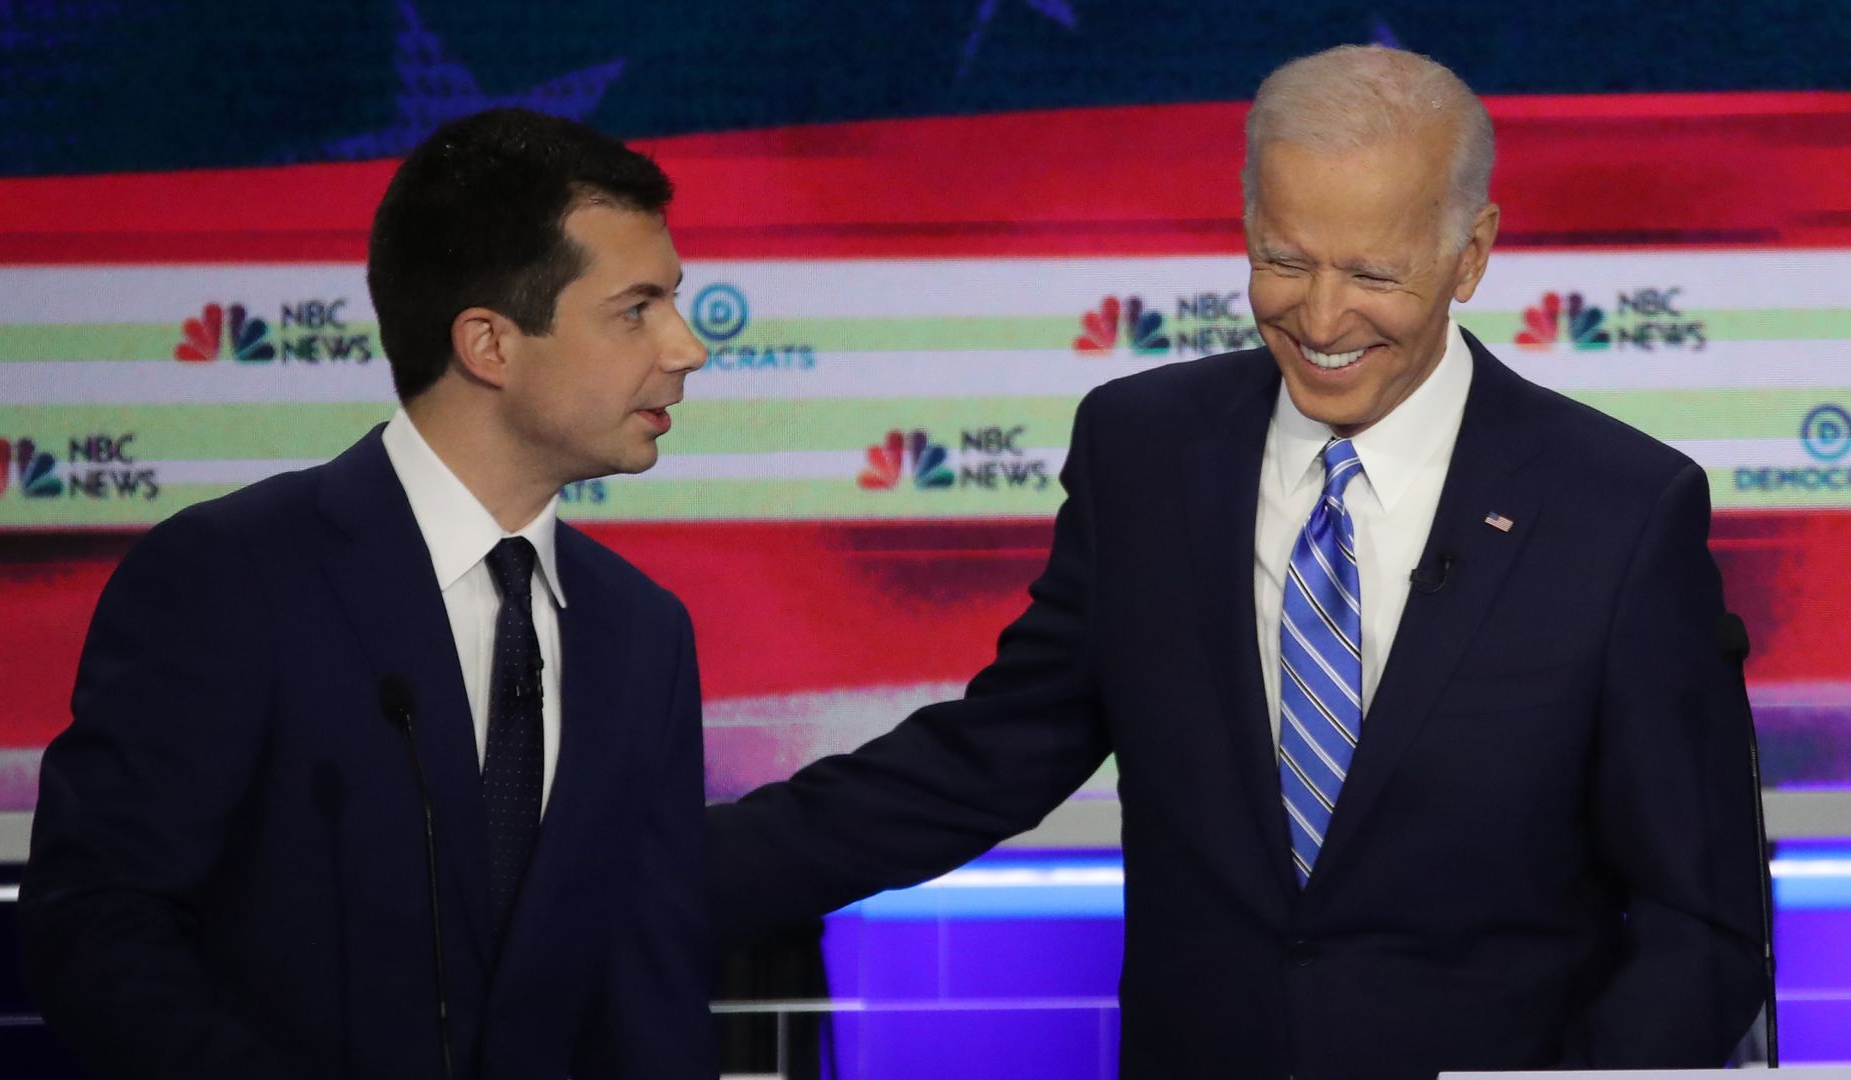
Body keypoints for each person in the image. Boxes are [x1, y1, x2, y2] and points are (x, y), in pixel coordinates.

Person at [706, 45, 1766, 1078]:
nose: (1321, 318)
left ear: (1471, 254)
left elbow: (1706, 921)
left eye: (1373, 274)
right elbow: (986, 760)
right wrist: (662, 874)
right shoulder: (1143, 451)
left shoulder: (1618, 510)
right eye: (1284, 260)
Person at [20, 108, 713, 1079]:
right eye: (637, 309)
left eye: (674, 302)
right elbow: (95, 924)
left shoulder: (643, 633)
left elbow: (651, 993)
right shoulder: (231, 575)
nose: (687, 348)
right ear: (489, 343)